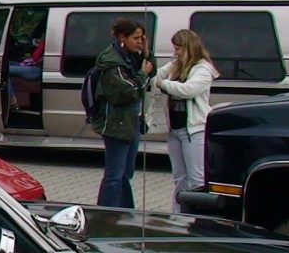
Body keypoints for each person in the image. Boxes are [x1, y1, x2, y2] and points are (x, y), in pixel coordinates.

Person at [92, 17, 155, 208]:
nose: (139, 42)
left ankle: (125, 211)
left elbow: (151, 71)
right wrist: (142, 74)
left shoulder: (131, 56)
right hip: (117, 124)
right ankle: (106, 211)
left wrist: (147, 53)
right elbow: (131, 91)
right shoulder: (113, 63)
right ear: (122, 37)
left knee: (126, 173)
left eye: (142, 38)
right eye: (136, 38)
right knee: (115, 175)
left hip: (132, 121)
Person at [156, 29, 219, 212]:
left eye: (179, 48)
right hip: (175, 130)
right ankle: (178, 215)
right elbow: (155, 77)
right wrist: (168, 68)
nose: (175, 52)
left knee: (196, 179)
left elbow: (188, 90)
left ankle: (198, 215)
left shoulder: (203, 68)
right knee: (179, 178)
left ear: (189, 47)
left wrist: (164, 84)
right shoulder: (177, 65)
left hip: (194, 130)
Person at [7, 37, 44, 110]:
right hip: (33, 65)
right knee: (5, 63)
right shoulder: (45, 42)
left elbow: (37, 58)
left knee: (3, 70)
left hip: (35, 70)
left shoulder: (49, 43)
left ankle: (12, 100)